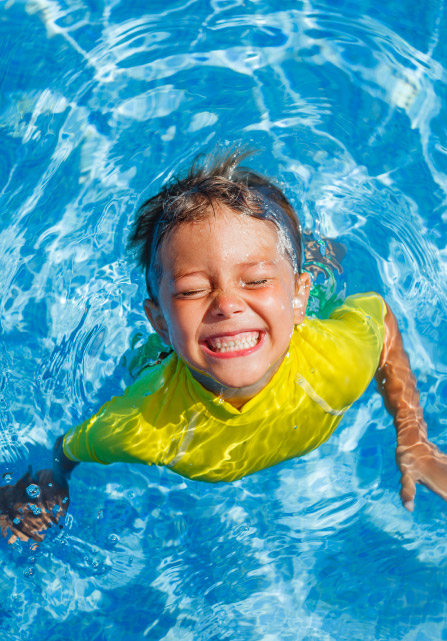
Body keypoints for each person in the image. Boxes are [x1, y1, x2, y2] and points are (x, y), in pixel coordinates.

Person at [1, 151, 446, 544]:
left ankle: (307, 256)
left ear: (297, 299)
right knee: (141, 362)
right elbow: (68, 450)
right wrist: (49, 481)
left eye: (254, 281)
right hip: (171, 358)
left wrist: (412, 434)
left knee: (329, 261)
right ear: (158, 319)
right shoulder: (146, 421)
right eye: (193, 290)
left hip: (304, 311)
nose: (228, 304)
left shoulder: (336, 361)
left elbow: (381, 318)